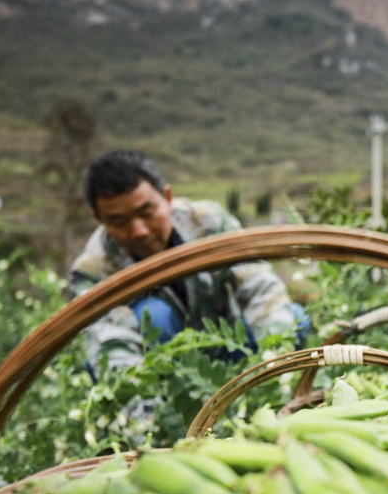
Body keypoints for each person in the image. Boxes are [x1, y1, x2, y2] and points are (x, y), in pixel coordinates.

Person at [68, 149, 308, 376]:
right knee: (153, 315)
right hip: (157, 370)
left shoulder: (208, 224)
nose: (138, 231)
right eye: (119, 222)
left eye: (146, 213)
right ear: (99, 219)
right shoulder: (93, 270)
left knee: (293, 318)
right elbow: (112, 346)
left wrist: (276, 362)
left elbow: (258, 286)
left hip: (225, 347)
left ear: (167, 198)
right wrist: (147, 413)